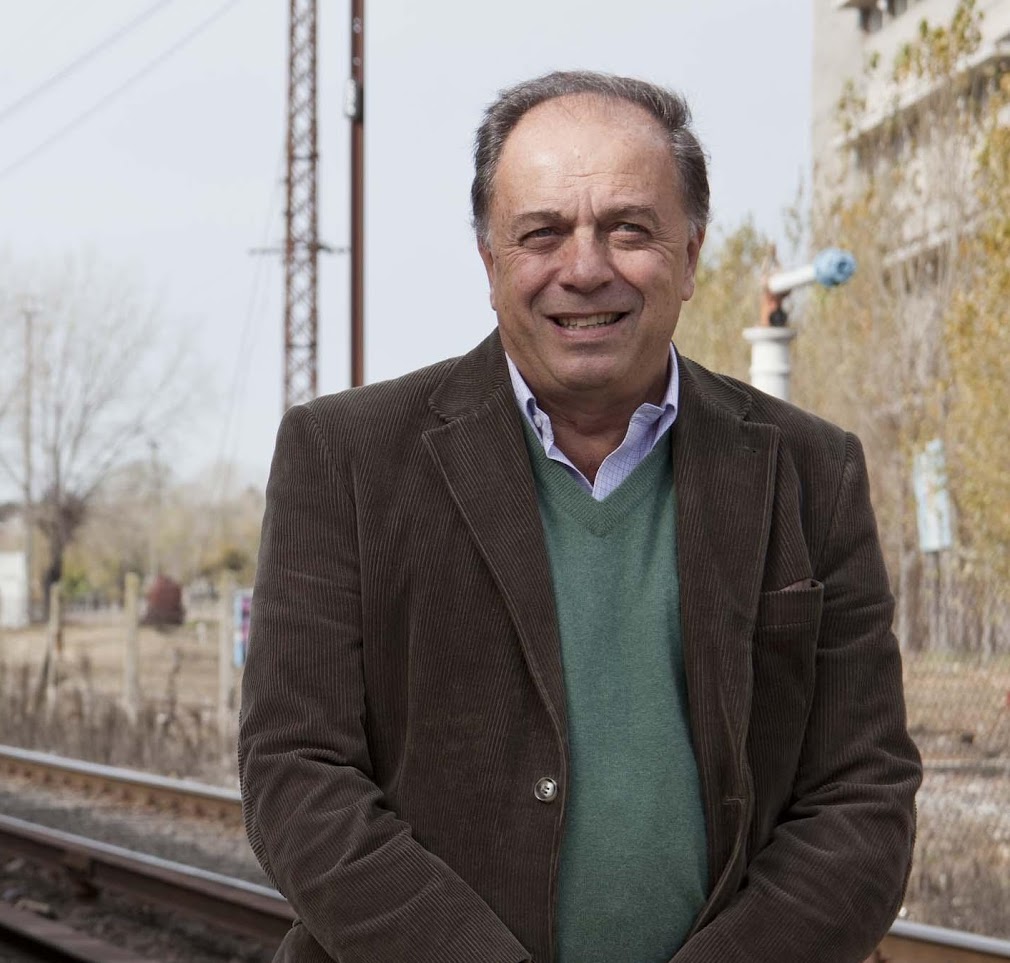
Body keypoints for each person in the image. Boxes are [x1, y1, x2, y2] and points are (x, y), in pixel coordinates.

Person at [239, 71, 921, 963]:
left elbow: (863, 794)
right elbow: (298, 776)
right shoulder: (345, 459)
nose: (586, 266)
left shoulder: (811, 471)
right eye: (542, 233)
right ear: (490, 260)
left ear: (691, 251)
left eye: (629, 228)